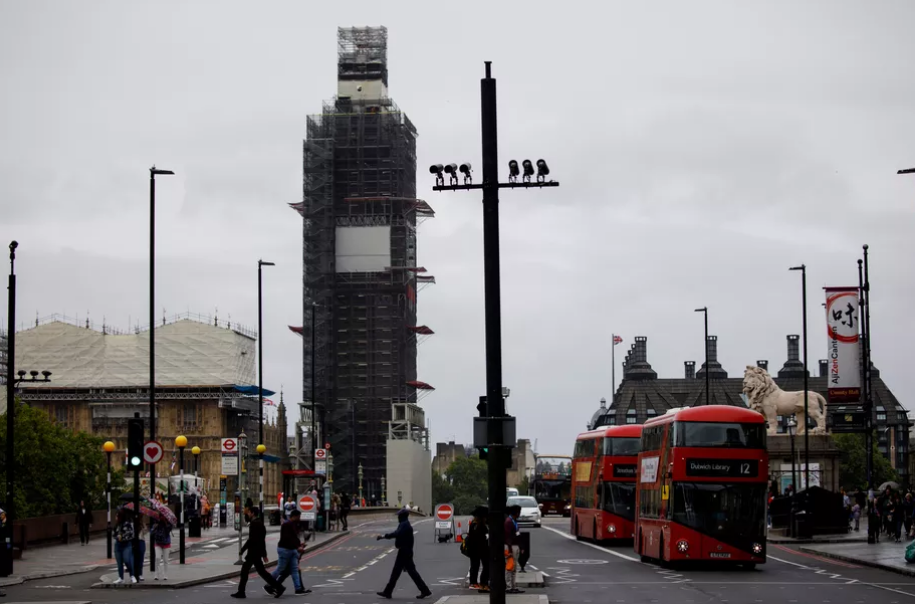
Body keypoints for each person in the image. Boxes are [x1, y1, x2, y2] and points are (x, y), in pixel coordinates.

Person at [231, 499, 285, 599]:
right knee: (262, 572)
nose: (248, 514)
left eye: (249, 512)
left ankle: (241, 592)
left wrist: (242, 550)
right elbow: (262, 540)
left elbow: (252, 540)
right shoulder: (259, 523)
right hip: (257, 552)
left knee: (245, 571)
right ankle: (279, 587)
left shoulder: (254, 524)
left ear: (253, 513)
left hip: (253, 552)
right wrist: (263, 554)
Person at [375, 507, 432, 600]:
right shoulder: (404, 524)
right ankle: (388, 592)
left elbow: (397, 534)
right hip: (405, 551)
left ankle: (424, 590)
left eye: (399, 516)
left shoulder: (404, 525)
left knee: (402, 573)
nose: (398, 518)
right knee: (402, 573)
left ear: (402, 516)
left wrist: (384, 536)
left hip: (404, 552)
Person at [268, 509, 311, 596]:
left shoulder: (292, 524)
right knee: (280, 569)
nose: (299, 518)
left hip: (291, 550)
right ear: (294, 516)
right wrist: (297, 547)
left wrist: (299, 544)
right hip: (285, 550)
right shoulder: (287, 524)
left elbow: (293, 538)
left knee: (294, 570)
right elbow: (287, 539)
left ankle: (298, 589)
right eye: (298, 517)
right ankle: (269, 583)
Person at [467, 506, 489, 592]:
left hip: (475, 549)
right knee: (482, 566)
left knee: (475, 565)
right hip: (479, 549)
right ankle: (478, 583)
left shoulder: (474, 524)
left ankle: (475, 582)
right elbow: (481, 538)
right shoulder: (479, 526)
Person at [504, 505, 523, 594]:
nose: (519, 514)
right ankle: (509, 586)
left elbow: (517, 534)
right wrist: (510, 550)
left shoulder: (513, 521)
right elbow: (507, 537)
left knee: (514, 567)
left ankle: (513, 586)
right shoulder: (509, 522)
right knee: (509, 567)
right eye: (519, 512)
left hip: (515, 546)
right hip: (510, 547)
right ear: (516, 512)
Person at [113, 509, 135, 584]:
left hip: (126, 544)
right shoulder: (117, 525)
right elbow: (114, 534)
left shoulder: (127, 524)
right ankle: (121, 578)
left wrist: (122, 537)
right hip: (118, 545)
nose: (115, 517)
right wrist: (117, 536)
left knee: (127, 560)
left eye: (117, 515)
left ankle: (132, 575)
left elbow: (131, 534)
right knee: (119, 562)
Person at [151, 517, 173, 581]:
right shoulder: (156, 522)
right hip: (158, 543)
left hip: (166, 543)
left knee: (165, 560)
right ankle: (156, 574)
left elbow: (168, 530)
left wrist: (166, 524)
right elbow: (152, 533)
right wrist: (155, 527)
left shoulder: (168, 522)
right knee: (157, 558)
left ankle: (165, 575)